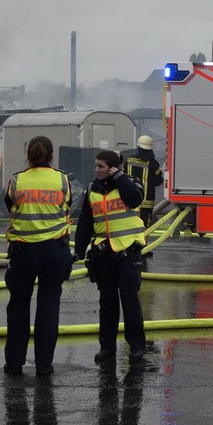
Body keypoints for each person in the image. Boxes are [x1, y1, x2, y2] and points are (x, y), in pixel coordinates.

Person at [2, 136, 74, 377]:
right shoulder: (62, 179)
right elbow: (67, 206)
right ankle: (44, 364)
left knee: (19, 305)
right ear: (51, 155)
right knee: (49, 307)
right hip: (55, 251)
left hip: (24, 251)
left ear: (28, 154)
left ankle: (14, 363)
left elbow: (10, 205)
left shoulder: (17, 180)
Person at [74, 150, 148, 363]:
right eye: (96, 166)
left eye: (101, 166)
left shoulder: (130, 183)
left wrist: (119, 177)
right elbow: (86, 222)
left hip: (127, 251)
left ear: (113, 168)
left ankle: (136, 347)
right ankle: (107, 348)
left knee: (130, 301)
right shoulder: (92, 188)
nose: (96, 170)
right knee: (107, 303)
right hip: (103, 253)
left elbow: (134, 200)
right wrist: (78, 251)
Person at [122, 135, 163, 228]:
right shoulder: (154, 163)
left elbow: (122, 177)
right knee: (144, 228)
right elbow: (158, 181)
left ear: (139, 146)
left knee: (129, 227)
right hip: (146, 204)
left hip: (129, 201)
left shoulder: (128, 160)